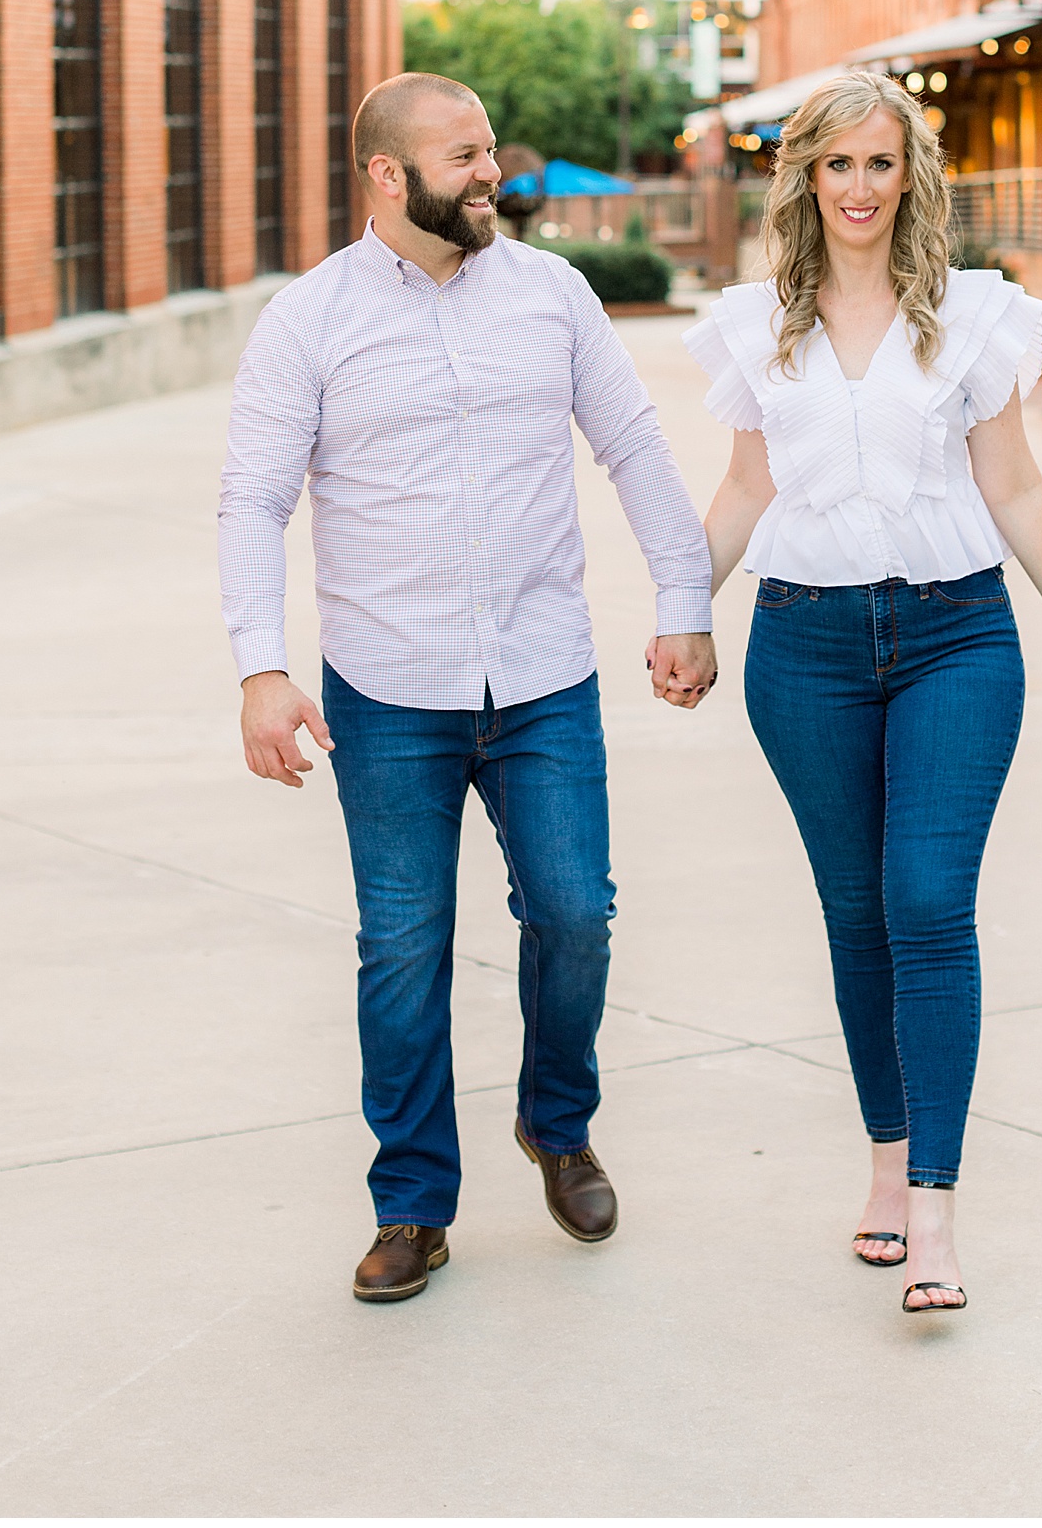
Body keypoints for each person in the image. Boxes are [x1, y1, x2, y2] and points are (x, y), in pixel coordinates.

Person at [219, 73, 716, 1305]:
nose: (492, 172)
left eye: (491, 148)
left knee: (576, 910)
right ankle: (411, 1205)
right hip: (388, 688)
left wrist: (684, 598)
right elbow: (254, 498)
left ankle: (558, 1119)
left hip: (544, 671)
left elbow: (635, 445)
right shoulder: (308, 320)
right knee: (402, 947)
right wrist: (260, 667)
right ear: (389, 176)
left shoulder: (553, 293)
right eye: (465, 155)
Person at [685, 68, 1042, 1316]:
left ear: (910, 175)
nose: (861, 188)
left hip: (956, 637)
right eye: (839, 165)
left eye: (882, 164)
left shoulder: (970, 318)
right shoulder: (757, 325)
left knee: (926, 899)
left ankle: (934, 1210)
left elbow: (1017, 486)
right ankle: (882, 1160)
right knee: (855, 911)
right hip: (804, 646)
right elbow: (744, 491)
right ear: (805, 178)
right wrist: (678, 607)